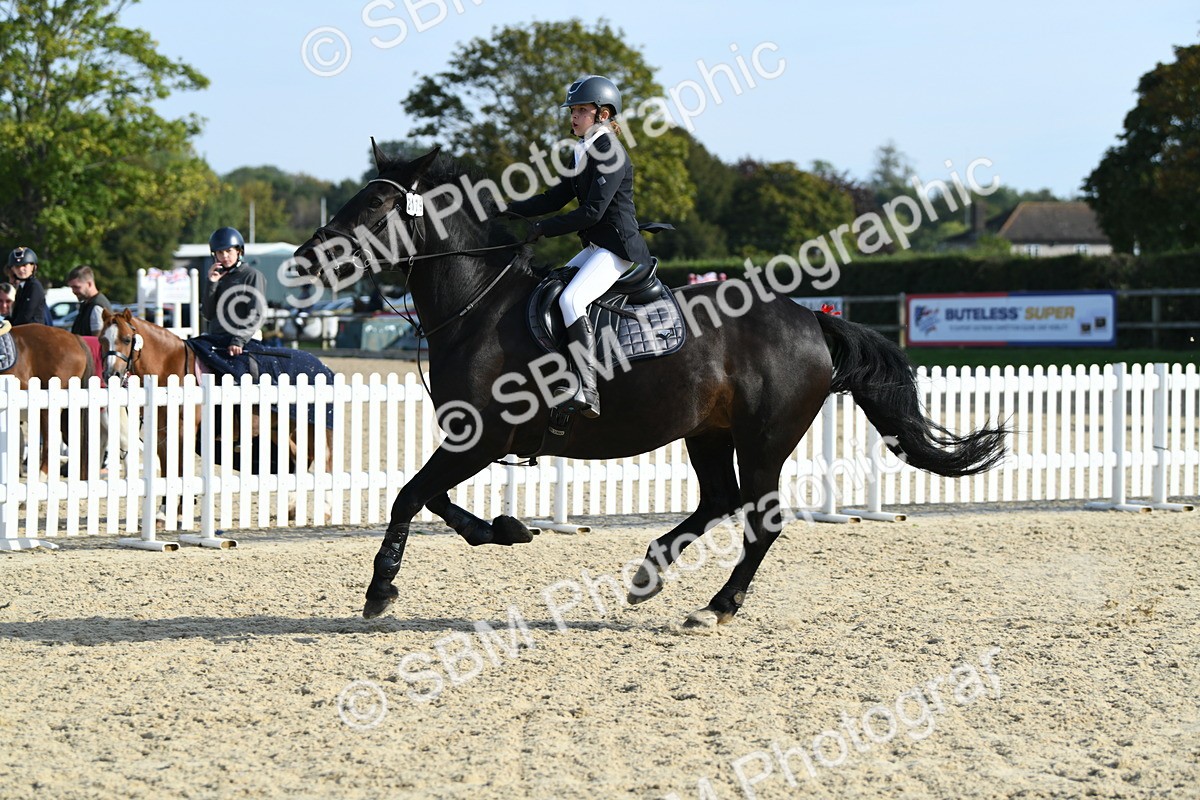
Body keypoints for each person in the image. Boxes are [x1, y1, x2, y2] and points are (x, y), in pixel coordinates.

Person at [505, 75, 651, 419]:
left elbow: (592, 213)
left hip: (617, 249)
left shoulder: (610, 152)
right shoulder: (583, 149)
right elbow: (554, 198)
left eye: (581, 110)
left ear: (603, 114)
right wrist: (506, 209)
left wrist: (542, 229)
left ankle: (587, 388)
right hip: (598, 246)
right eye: (572, 110)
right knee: (550, 288)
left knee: (572, 299)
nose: (573, 116)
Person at [201, 226, 267, 357]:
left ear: (238, 251)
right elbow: (207, 314)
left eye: (228, 251)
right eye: (220, 252)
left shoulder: (252, 275)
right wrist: (211, 284)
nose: (225, 256)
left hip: (244, 342)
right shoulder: (216, 277)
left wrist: (238, 341)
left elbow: (256, 314)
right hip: (217, 339)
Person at [6, 246, 49, 326]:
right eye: (17, 266)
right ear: (13, 269)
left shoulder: (34, 286)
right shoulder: (22, 287)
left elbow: (26, 316)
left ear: (33, 267)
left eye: (24, 265)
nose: (21, 269)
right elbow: (15, 315)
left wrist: (10, 327)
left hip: (34, 330)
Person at [66, 265, 113, 336]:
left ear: (89, 284)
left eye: (76, 287)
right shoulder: (88, 305)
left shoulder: (97, 307)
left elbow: (97, 340)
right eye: (72, 287)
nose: (73, 291)